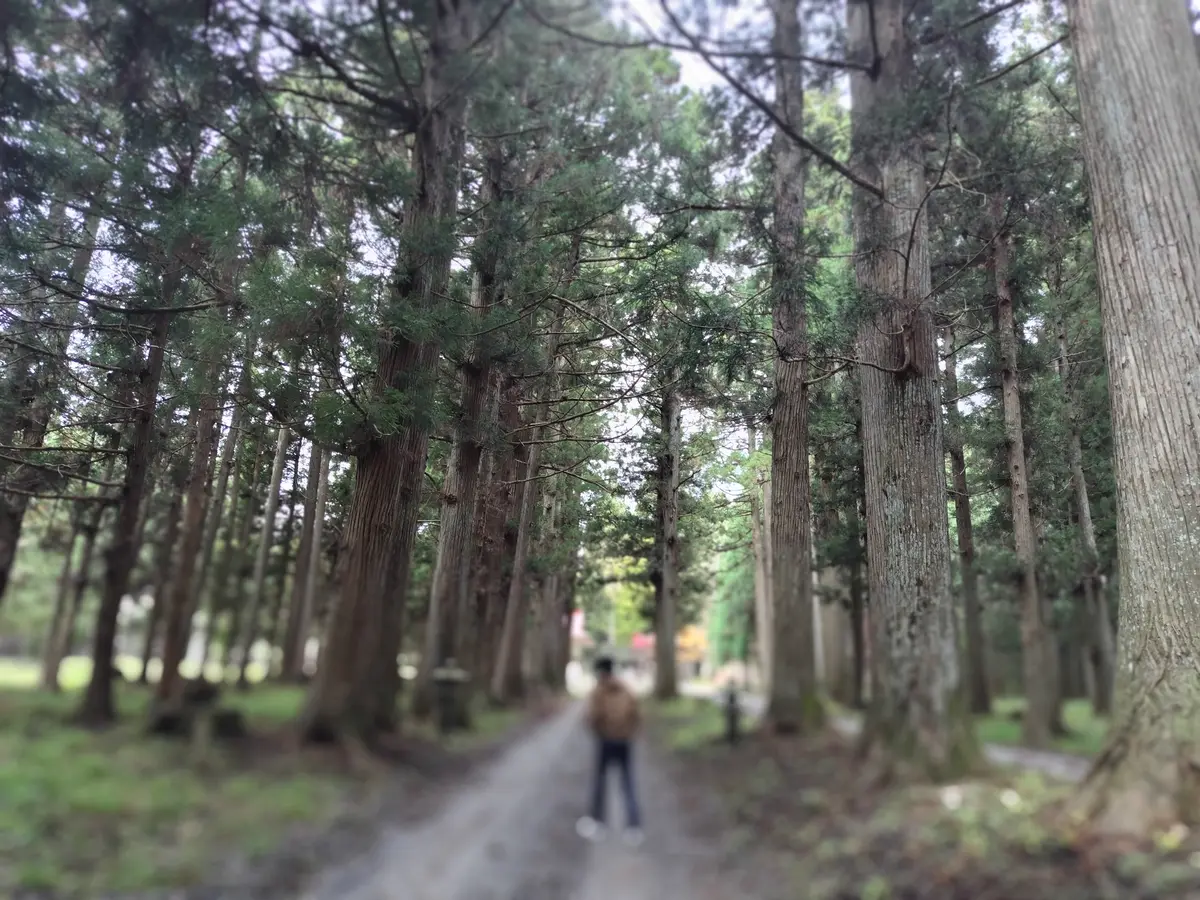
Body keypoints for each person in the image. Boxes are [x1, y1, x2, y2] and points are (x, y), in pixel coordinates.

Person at [576, 655, 643, 845]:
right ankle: (634, 827)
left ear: (600, 672)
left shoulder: (598, 692)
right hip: (625, 741)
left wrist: (596, 730)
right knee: (628, 783)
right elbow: (637, 715)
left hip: (605, 740)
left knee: (600, 783)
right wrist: (630, 732)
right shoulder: (627, 690)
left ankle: (597, 823)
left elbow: (592, 717)